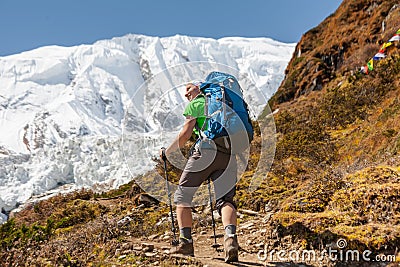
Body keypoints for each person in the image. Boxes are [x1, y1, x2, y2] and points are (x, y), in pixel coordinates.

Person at [159, 80, 239, 263]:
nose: (186, 94)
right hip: (228, 153)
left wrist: (167, 152)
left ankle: (186, 243)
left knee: (182, 197)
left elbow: (186, 133)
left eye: (188, 89)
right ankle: (231, 239)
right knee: (225, 200)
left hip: (205, 152)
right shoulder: (224, 105)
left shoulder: (197, 103)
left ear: (199, 87)